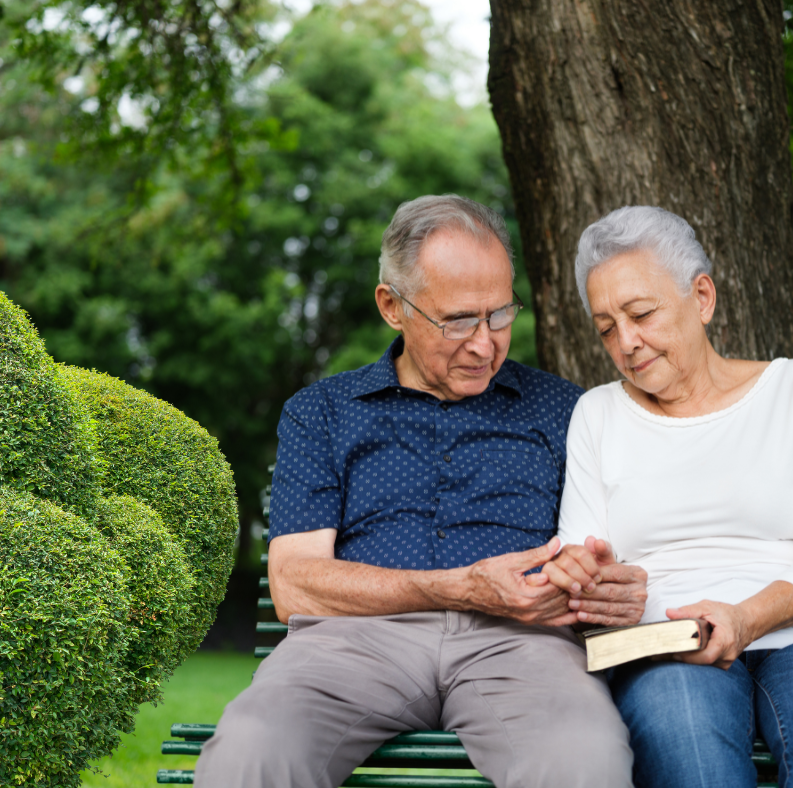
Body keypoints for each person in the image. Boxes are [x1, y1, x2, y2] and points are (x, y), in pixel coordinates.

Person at [194, 195, 647, 788]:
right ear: (392, 306)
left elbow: (605, 545)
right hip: (352, 642)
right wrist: (459, 588)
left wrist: (604, 583)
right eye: (458, 321)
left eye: (500, 315)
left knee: (585, 757)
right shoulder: (323, 413)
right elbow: (294, 583)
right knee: (251, 751)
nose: (485, 344)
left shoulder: (565, 409)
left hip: (521, 646)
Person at [540, 205, 793, 788]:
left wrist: (745, 618)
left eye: (641, 314)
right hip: (669, 647)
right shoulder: (598, 414)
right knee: (685, 747)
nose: (627, 343)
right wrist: (591, 583)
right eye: (607, 327)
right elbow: (584, 560)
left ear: (701, 298)